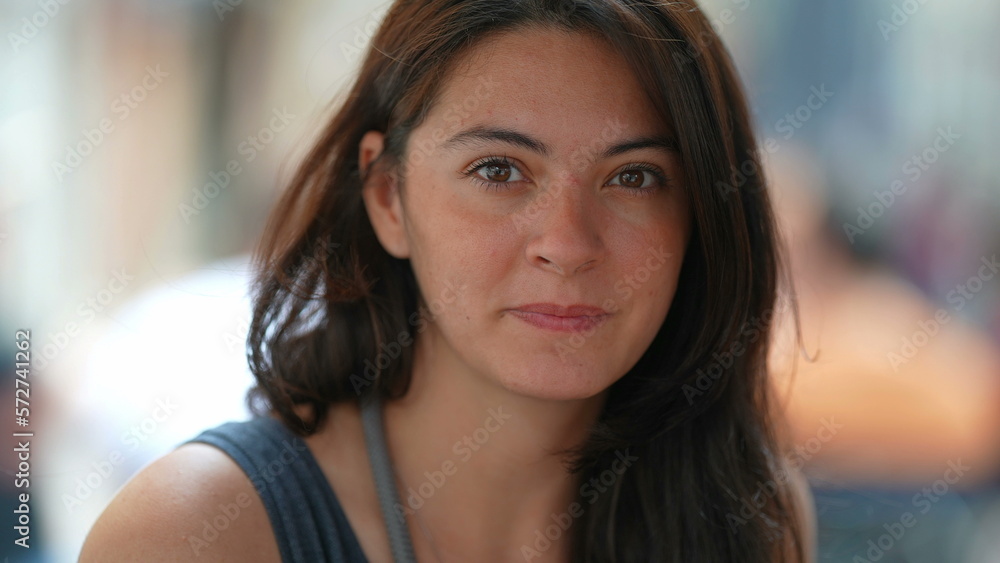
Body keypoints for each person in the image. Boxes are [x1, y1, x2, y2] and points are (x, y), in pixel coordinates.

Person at [81, 0, 816, 561]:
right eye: (498, 170)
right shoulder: (197, 532)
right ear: (387, 196)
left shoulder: (750, 516)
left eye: (634, 176)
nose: (567, 244)